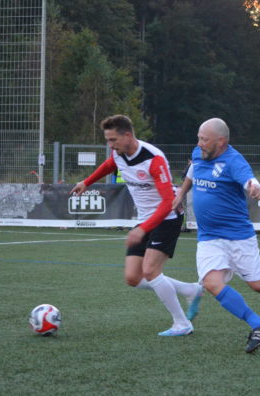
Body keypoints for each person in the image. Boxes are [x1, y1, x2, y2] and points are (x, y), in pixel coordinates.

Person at [172, 118, 260, 354]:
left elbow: (249, 179)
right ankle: (258, 324)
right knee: (211, 282)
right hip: (209, 237)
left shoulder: (234, 161)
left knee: (258, 285)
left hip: (238, 237)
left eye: (204, 139)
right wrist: (180, 195)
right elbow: (192, 172)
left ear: (221, 141)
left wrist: (254, 187)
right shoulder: (199, 152)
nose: (199, 143)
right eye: (199, 138)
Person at [71, 115, 202, 337]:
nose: (110, 145)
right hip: (146, 220)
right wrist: (86, 182)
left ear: (128, 135)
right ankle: (191, 290)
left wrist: (142, 229)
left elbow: (167, 203)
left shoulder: (154, 159)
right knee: (133, 278)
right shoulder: (118, 153)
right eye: (108, 140)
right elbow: (109, 165)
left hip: (168, 217)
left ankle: (182, 324)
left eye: (113, 140)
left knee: (150, 271)